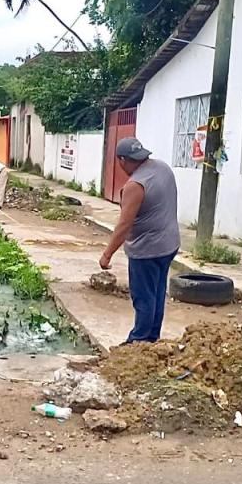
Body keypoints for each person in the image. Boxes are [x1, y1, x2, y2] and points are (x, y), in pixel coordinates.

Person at [98, 137, 180, 344]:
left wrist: (107, 254)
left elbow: (124, 225)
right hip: (169, 243)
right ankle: (152, 337)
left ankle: (139, 340)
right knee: (158, 292)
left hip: (147, 250)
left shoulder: (135, 185)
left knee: (144, 296)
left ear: (122, 160)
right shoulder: (163, 168)